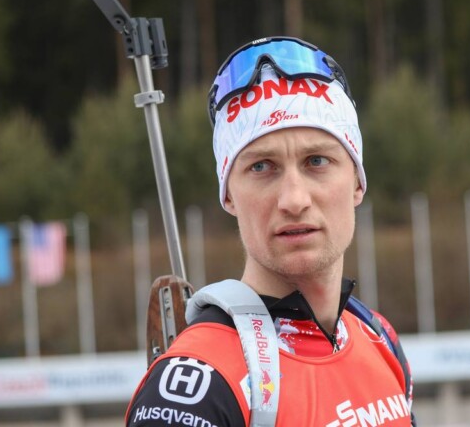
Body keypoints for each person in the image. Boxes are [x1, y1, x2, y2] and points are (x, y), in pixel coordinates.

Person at [125, 36, 414, 426]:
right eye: (261, 167)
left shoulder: (379, 337)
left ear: (358, 182)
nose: (294, 200)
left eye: (317, 161)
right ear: (228, 194)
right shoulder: (196, 389)